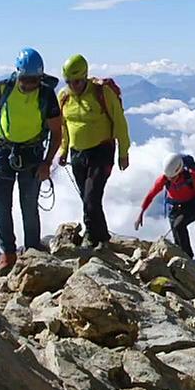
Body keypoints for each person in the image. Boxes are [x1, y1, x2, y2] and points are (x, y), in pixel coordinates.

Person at [0, 47, 63, 271]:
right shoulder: (3, 88)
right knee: (1, 205)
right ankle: (8, 252)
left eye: (34, 80)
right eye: (25, 79)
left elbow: (57, 132)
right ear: (17, 73)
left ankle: (32, 249)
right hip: (2, 152)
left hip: (32, 154)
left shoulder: (46, 94)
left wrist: (47, 162)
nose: (29, 84)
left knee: (29, 204)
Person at [56, 54, 130, 248]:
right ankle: (101, 236)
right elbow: (63, 126)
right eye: (69, 82)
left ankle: (92, 236)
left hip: (102, 150)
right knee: (88, 198)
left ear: (85, 75)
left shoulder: (102, 92)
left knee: (91, 198)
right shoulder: (64, 97)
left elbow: (120, 122)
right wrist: (63, 150)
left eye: (77, 81)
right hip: (77, 153)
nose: (73, 86)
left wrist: (123, 152)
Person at [136, 153, 195, 258]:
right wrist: (141, 213)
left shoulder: (191, 176)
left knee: (178, 225)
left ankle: (187, 256)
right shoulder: (164, 179)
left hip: (193, 205)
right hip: (176, 205)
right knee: (176, 230)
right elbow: (151, 194)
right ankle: (179, 253)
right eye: (169, 177)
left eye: (173, 177)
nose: (171, 180)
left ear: (180, 171)